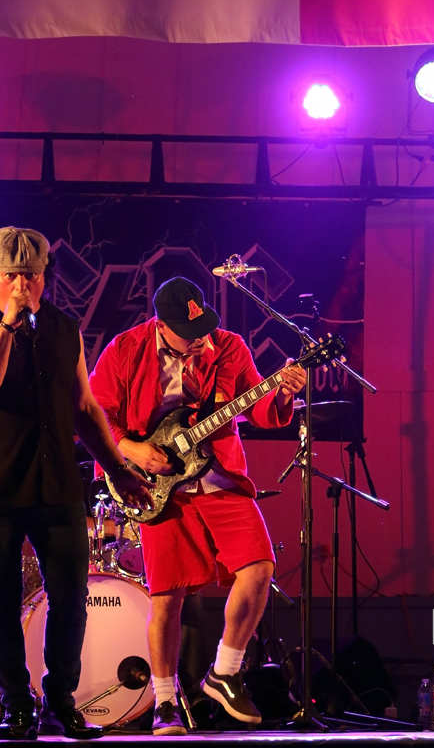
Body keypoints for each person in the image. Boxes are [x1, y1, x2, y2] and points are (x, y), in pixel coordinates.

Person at [0, 226, 151, 742]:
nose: (22, 286)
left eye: (32, 276)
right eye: (12, 275)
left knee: (71, 599)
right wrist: (8, 326)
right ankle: (17, 707)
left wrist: (118, 469)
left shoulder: (63, 327)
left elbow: (84, 406)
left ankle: (62, 702)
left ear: (44, 277)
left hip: (56, 483)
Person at [88, 276, 306, 736]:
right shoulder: (125, 350)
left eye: (204, 328)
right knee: (166, 598)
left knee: (260, 567)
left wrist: (283, 393)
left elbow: (259, 410)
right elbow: (94, 413)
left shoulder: (229, 348)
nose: (200, 340)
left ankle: (224, 671)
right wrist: (131, 449)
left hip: (219, 477)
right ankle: (165, 702)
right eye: (188, 334)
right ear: (161, 326)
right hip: (156, 486)